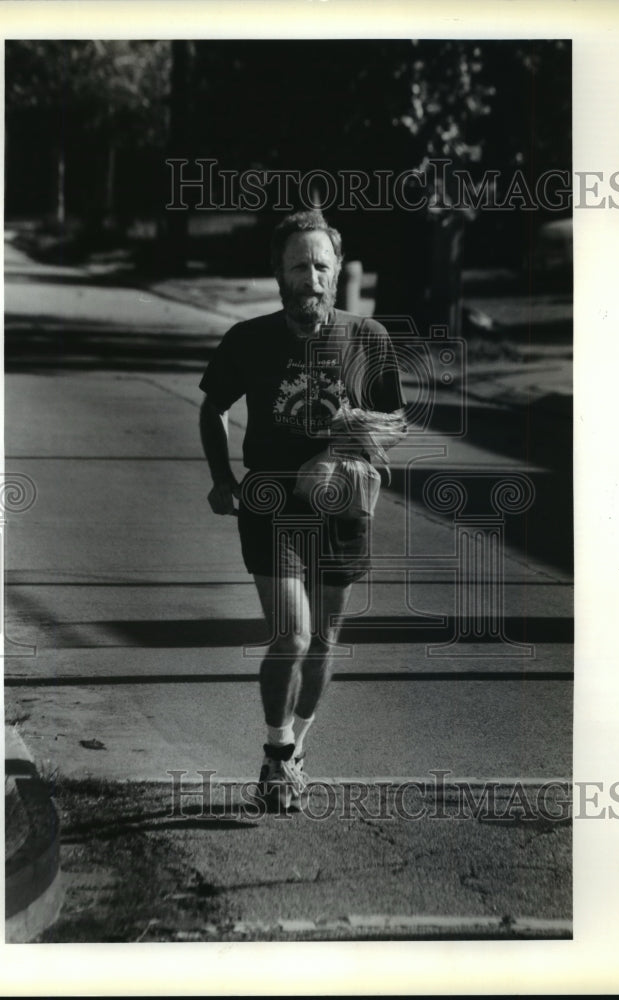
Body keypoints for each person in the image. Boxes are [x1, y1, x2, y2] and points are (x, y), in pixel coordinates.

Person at [199, 210, 405, 810]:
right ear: (279, 273)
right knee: (292, 634)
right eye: (299, 265)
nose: (311, 276)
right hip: (271, 505)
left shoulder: (369, 339)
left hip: (344, 508)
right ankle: (275, 750)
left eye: (321, 265)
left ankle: (295, 751)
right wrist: (222, 479)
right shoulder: (248, 339)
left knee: (325, 642)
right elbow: (212, 409)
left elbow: (392, 425)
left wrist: (341, 454)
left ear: (337, 271)